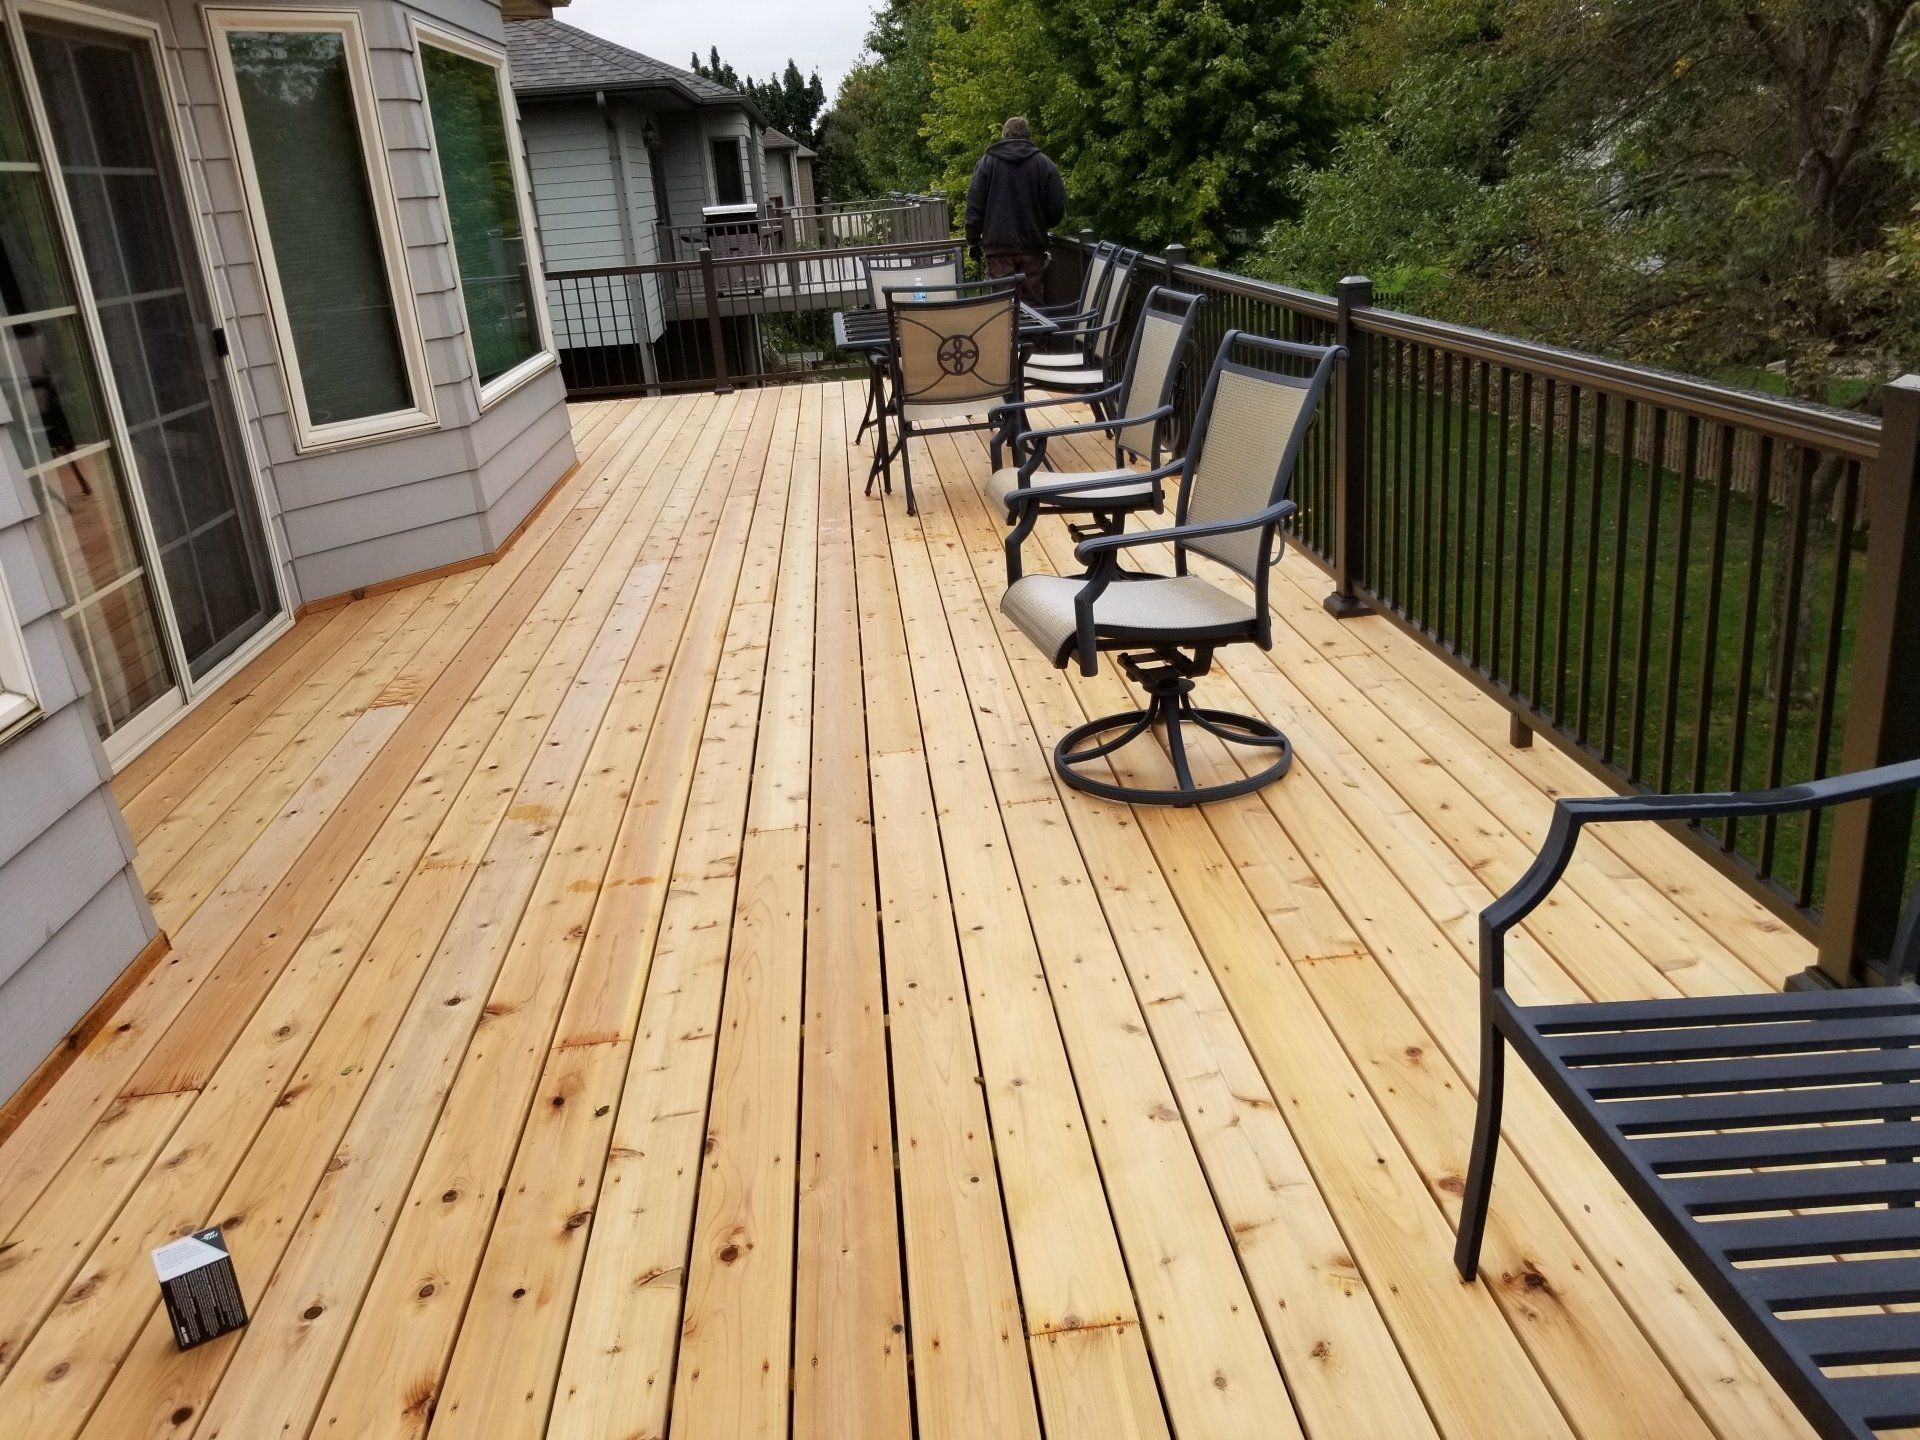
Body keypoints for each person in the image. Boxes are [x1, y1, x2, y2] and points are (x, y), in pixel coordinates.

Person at [965, 116, 1066, 305]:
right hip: (1032, 247)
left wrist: (973, 241)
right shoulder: (1044, 164)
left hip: (998, 247)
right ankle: (1033, 334)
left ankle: (1004, 335)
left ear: (1004, 137)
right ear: (1028, 137)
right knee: (1033, 302)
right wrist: (1042, 223)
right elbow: (1056, 206)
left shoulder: (987, 163)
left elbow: (974, 206)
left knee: (1002, 305)